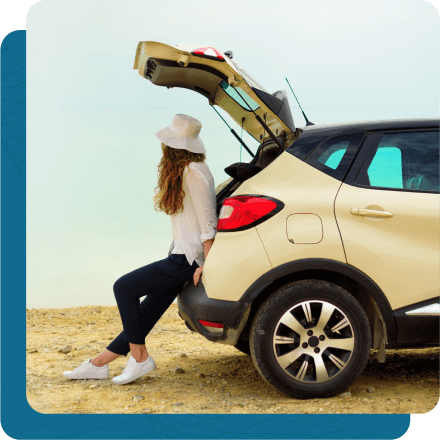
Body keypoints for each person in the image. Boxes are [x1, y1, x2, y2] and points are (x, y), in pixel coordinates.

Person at [63, 114, 217, 385]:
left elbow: (208, 223)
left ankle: (140, 358)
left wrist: (210, 263)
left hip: (188, 261)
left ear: (173, 146)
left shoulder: (193, 171)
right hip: (181, 256)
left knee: (124, 287)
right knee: (143, 315)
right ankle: (98, 365)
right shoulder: (188, 170)